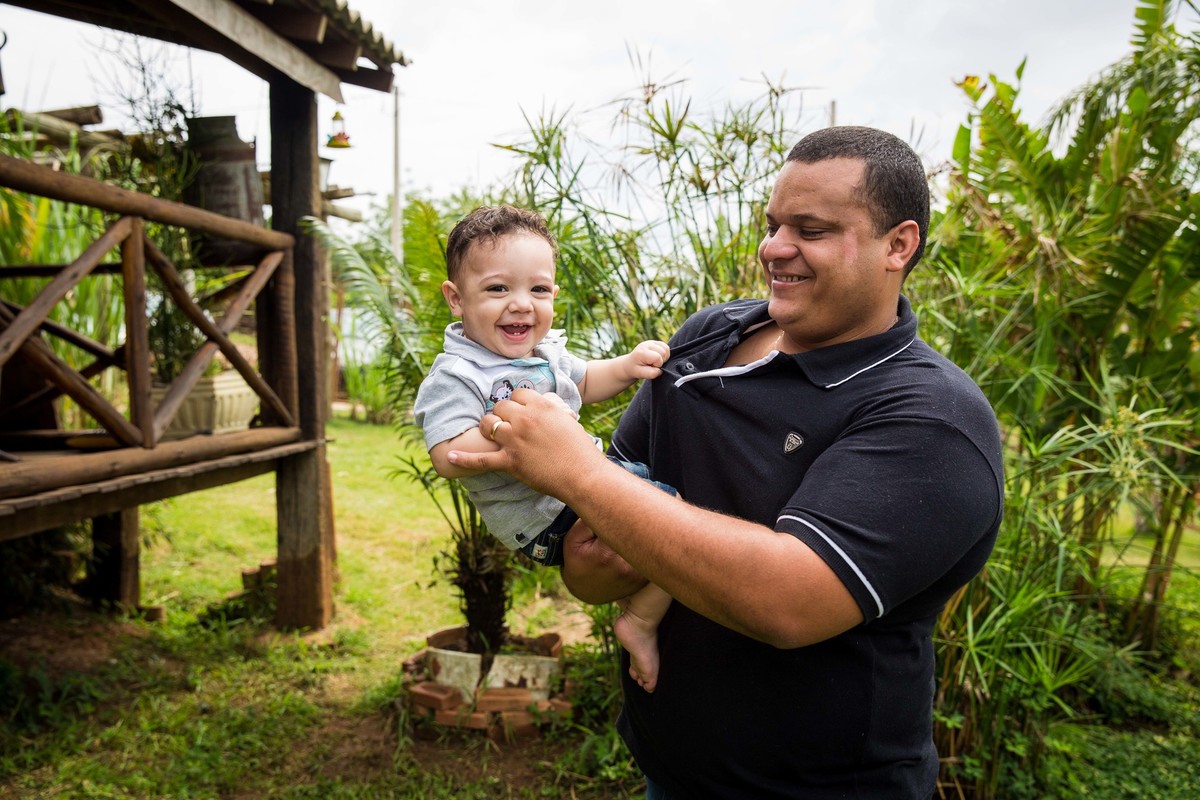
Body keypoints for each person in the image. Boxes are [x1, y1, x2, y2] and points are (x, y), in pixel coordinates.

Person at [446, 128, 1006, 798]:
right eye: (773, 225)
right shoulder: (708, 339)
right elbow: (596, 566)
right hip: (670, 769)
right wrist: (591, 554)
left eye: (812, 228)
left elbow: (789, 603)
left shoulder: (932, 418)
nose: (774, 247)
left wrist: (577, 472)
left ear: (899, 245)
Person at [413, 204, 675, 693]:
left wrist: (629, 364)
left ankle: (640, 614)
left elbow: (589, 379)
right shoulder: (457, 376)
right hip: (545, 518)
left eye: (537, 289)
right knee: (670, 521)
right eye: (497, 289)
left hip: (584, 487)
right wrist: (517, 431)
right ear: (455, 297)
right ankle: (639, 621)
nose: (521, 304)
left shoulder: (544, 354)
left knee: (676, 515)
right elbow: (447, 456)